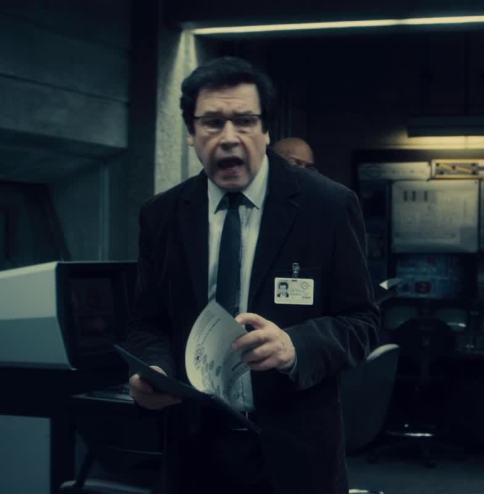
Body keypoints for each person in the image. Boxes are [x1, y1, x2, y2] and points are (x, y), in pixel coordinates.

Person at [125, 56, 379, 494]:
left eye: (244, 121)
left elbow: (363, 322)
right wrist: (153, 370)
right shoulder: (161, 215)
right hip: (194, 452)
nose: (229, 138)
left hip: (296, 455)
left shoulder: (328, 207)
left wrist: (295, 346)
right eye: (212, 123)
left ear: (265, 131)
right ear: (191, 133)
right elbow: (148, 322)